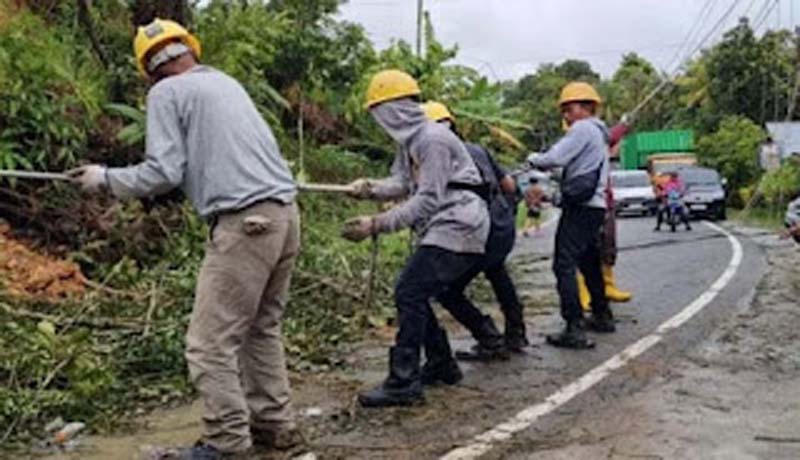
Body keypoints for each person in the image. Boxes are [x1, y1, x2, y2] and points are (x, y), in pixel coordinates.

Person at [68, 19, 301, 459]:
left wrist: (105, 179)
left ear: (149, 70)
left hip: (246, 222)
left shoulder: (166, 93)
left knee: (209, 343)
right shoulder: (224, 83)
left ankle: (226, 442)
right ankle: (275, 426)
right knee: (260, 328)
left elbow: (163, 172)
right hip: (284, 215)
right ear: (189, 50)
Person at [342, 70, 490, 407]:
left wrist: (376, 223)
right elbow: (401, 182)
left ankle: (404, 382)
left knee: (409, 290)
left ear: (394, 109)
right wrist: (370, 188)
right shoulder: (409, 144)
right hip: (444, 224)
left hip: (458, 223)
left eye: (379, 112)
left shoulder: (432, 139)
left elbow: (427, 198)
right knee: (416, 292)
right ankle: (441, 364)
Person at [420, 101, 529, 358]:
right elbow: (509, 186)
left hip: (475, 231)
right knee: (496, 270)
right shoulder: (477, 150)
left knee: (446, 289)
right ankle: (515, 333)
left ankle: (489, 338)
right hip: (500, 226)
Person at [526, 82, 614, 350]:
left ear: (586, 107)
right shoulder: (599, 134)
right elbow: (571, 167)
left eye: (570, 108)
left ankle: (573, 326)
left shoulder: (583, 128)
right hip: (595, 205)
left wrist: (533, 158)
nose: (566, 114)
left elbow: (554, 158)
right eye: (563, 109)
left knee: (563, 264)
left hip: (581, 207)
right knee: (588, 262)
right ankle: (601, 314)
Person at [577, 120, 633, 310]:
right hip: (586, 204)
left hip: (605, 203)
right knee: (586, 250)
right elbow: (608, 138)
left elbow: (611, 141)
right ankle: (584, 292)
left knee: (607, 246)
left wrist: (623, 128)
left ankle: (608, 286)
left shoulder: (602, 151)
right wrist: (621, 127)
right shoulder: (583, 138)